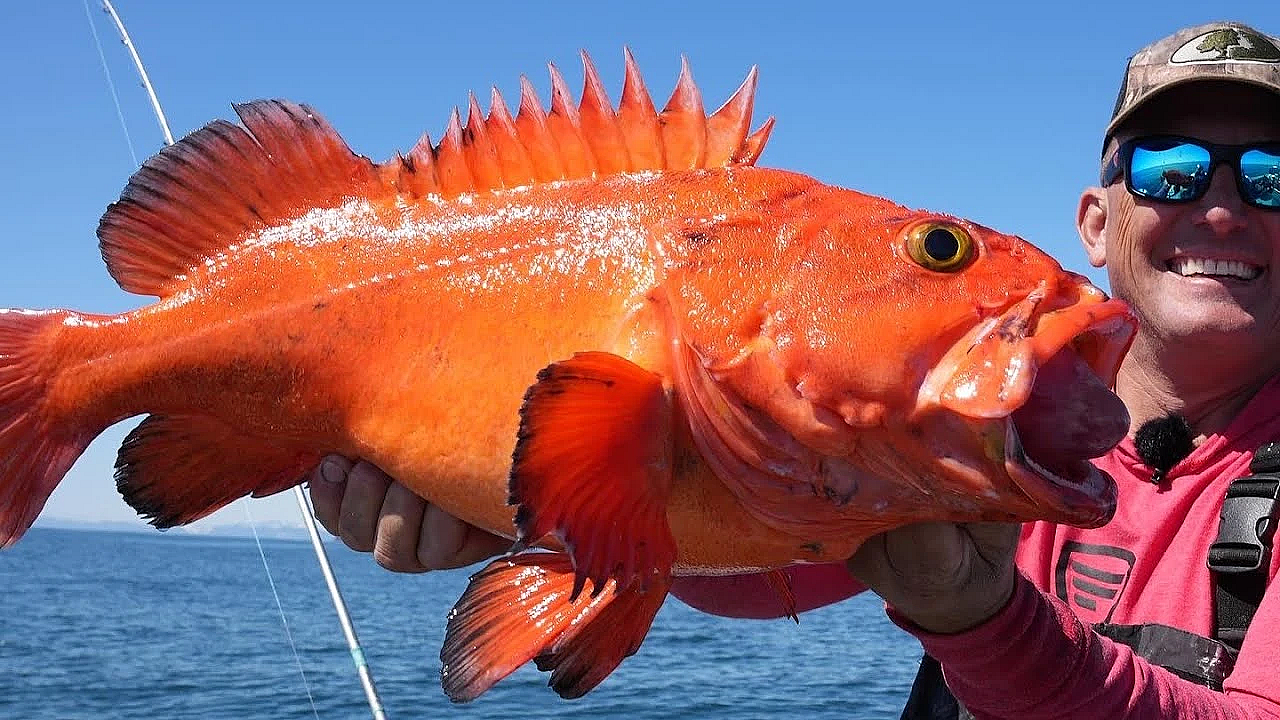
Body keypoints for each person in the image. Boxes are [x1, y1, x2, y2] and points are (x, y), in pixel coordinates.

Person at [308, 21, 1280, 717]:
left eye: (1272, 174)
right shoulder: (988, 437)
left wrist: (984, 623)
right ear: (1094, 224)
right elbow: (750, 578)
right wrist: (535, 506)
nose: (1223, 207)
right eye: (1168, 169)